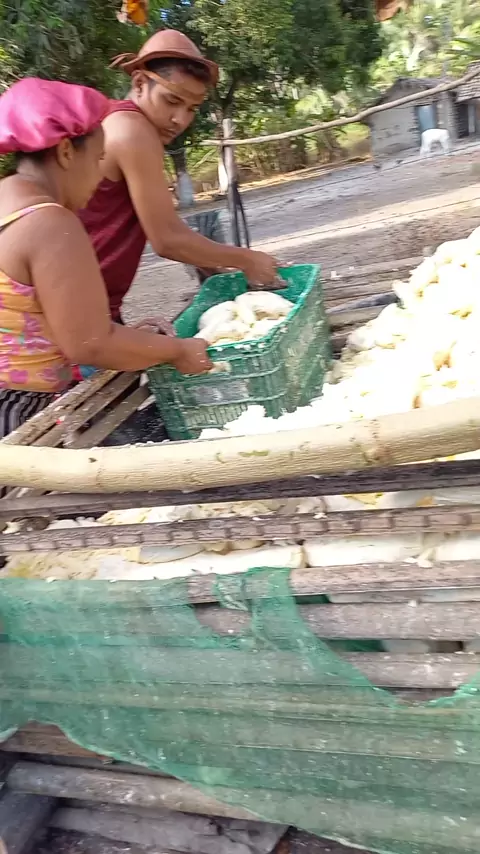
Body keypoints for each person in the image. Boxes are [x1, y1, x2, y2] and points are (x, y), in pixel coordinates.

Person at [0, 77, 212, 440]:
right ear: (66, 152)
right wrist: (178, 350)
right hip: (20, 413)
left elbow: (28, 321)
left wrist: (132, 340)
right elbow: (90, 344)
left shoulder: (8, 201)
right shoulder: (49, 222)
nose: (101, 174)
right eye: (99, 158)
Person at [79, 29, 279, 329]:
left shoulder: (114, 119)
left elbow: (156, 223)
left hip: (87, 312)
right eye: (171, 100)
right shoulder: (133, 130)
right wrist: (248, 260)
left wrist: (211, 265)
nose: (180, 120)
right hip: (68, 322)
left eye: (191, 109)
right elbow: (167, 239)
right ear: (139, 83)